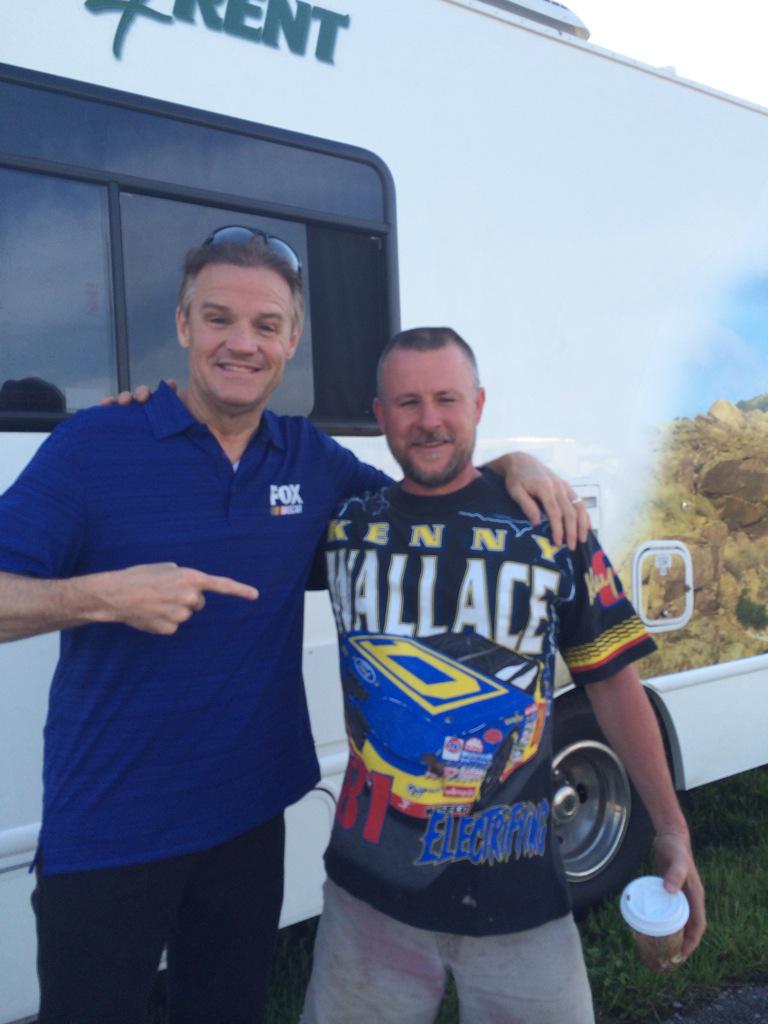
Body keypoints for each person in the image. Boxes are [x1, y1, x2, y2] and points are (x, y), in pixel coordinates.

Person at [0, 231, 587, 1024]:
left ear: (291, 340)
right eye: (219, 319)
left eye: (266, 325)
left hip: (246, 827)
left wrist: (511, 466)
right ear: (182, 326)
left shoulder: (307, 457)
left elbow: (425, 503)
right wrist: (102, 597)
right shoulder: (93, 446)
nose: (242, 343)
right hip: (109, 835)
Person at [301, 327, 706, 1024]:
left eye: (447, 399)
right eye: (408, 403)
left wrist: (671, 827)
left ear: (480, 404)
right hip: (367, 897)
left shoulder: (551, 526)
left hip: (521, 897)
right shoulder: (344, 526)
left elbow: (612, 683)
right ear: (380, 414)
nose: (429, 420)